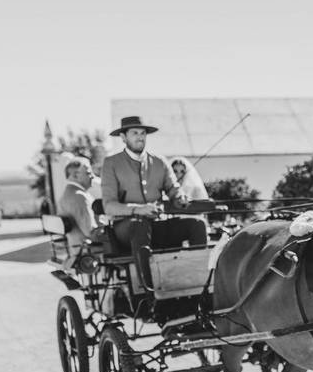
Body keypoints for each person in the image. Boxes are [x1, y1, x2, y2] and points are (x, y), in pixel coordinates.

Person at [100, 115, 204, 286]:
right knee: (139, 225)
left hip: (156, 225)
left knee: (196, 225)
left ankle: (197, 283)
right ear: (123, 137)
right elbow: (109, 205)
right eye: (135, 133)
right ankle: (149, 292)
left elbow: (173, 189)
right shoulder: (112, 163)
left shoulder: (159, 162)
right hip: (125, 228)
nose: (140, 137)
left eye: (143, 133)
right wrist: (137, 209)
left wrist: (180, 197)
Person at [57, 156, 99, 247]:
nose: (93, 177)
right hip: (89, 250)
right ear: (76, 175)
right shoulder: (79, 196)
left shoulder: (67, 195)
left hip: (77, 247)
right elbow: (91, 232)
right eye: (88, 173)